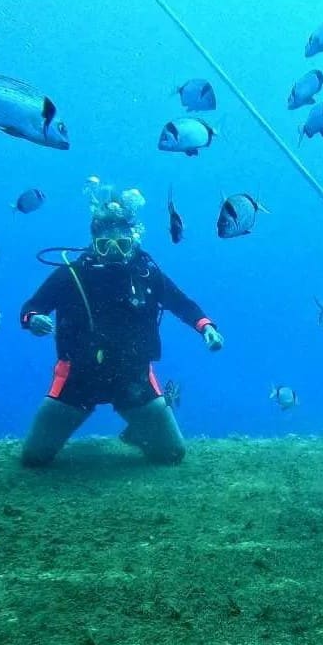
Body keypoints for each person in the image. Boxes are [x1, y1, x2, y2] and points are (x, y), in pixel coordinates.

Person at [20, 184, 223, 466]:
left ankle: (139, 432)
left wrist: (207, 327)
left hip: (133, 377)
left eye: (123, 245)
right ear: (94, 243)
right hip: (77, 377)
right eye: (105, 245)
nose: (114, 252)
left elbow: (182, 304)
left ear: (133, 241)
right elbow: (31, 307)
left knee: (172, 454)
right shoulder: (71, 275)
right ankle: (135, 428)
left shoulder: (147, 274)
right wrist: (33, 320)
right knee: (34, 458)